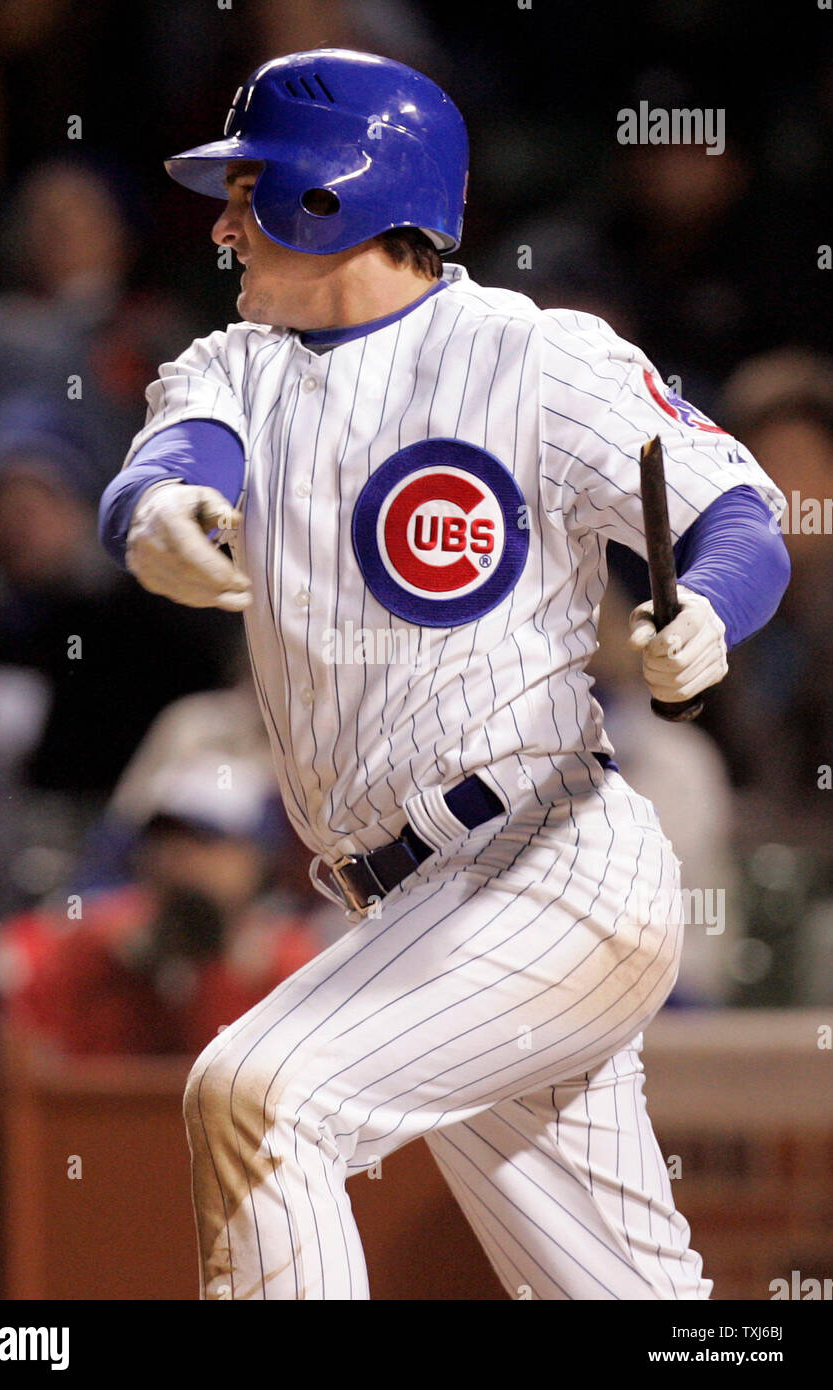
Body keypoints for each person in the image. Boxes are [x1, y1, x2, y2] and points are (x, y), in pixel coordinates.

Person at [98, 50, 790, 1301]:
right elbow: (169, 465)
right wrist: (158, 514)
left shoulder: (536, 354)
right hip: (407, 907)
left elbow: (736, 515)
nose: (222, 220)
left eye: (249, 188)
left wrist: (713, 616)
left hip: (550, 862)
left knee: (261, 1093)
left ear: (334, 198)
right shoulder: (234, 364)